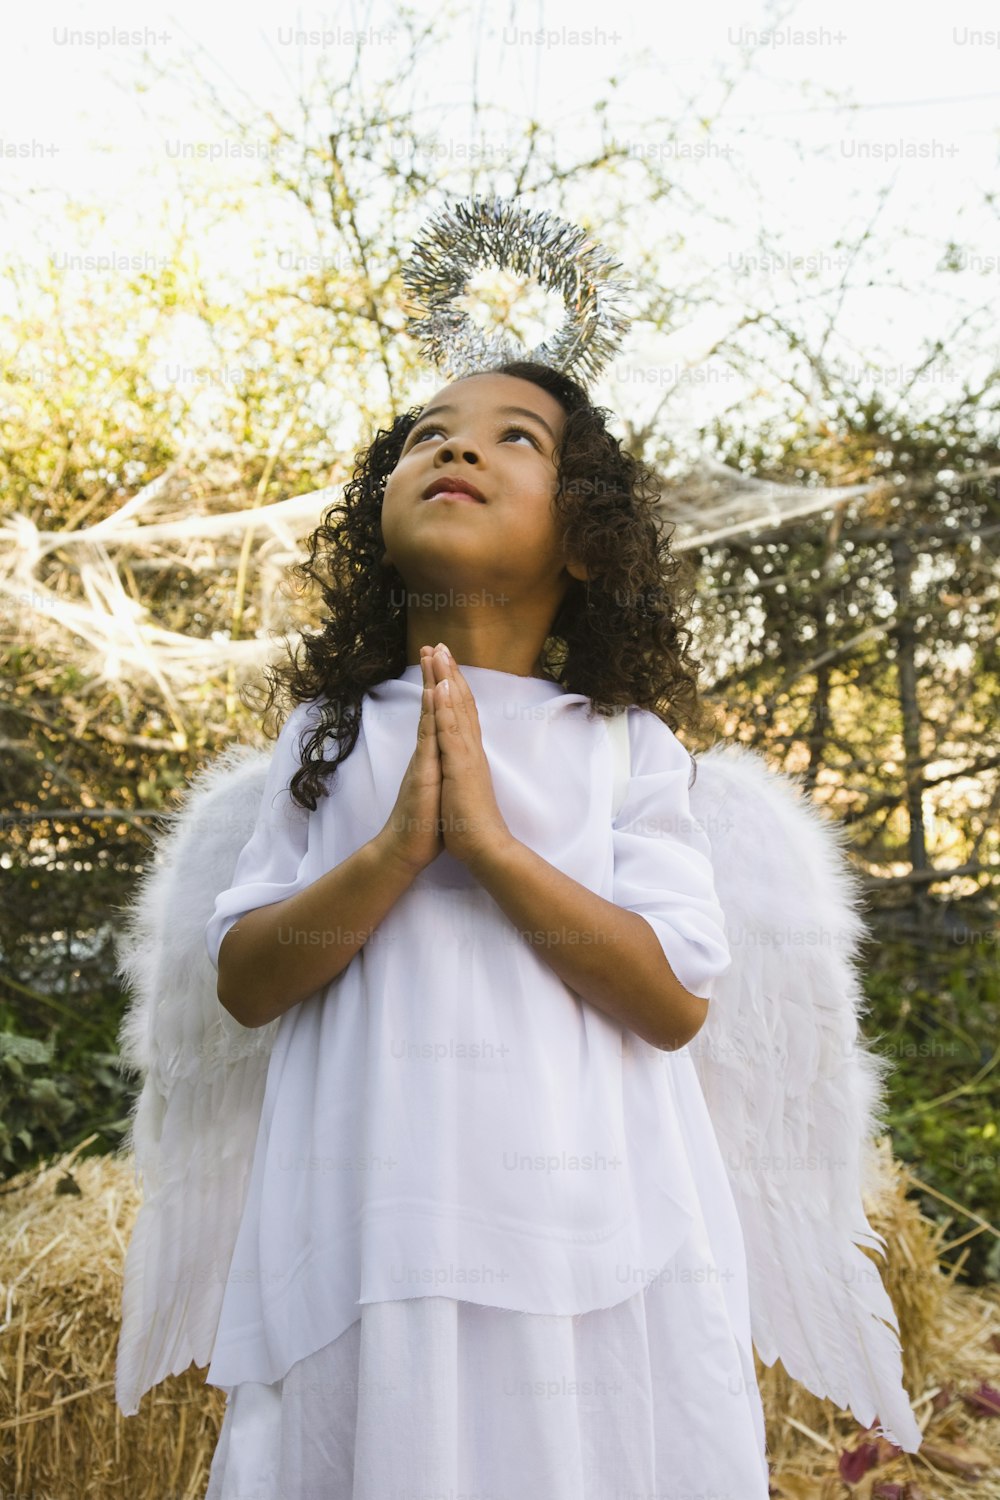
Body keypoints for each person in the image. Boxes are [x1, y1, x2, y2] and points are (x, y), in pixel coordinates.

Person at [202, 361, 772, 1497]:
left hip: (584, 1237)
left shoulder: (623, 744)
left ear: (587, 543)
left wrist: (496, 851)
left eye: (516, 438)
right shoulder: (329, 736)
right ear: (380, 514)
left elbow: (670, 1002)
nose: (456, 451)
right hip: (371, 1238)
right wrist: (392, 852)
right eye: (428, 435)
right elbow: (247, 981)